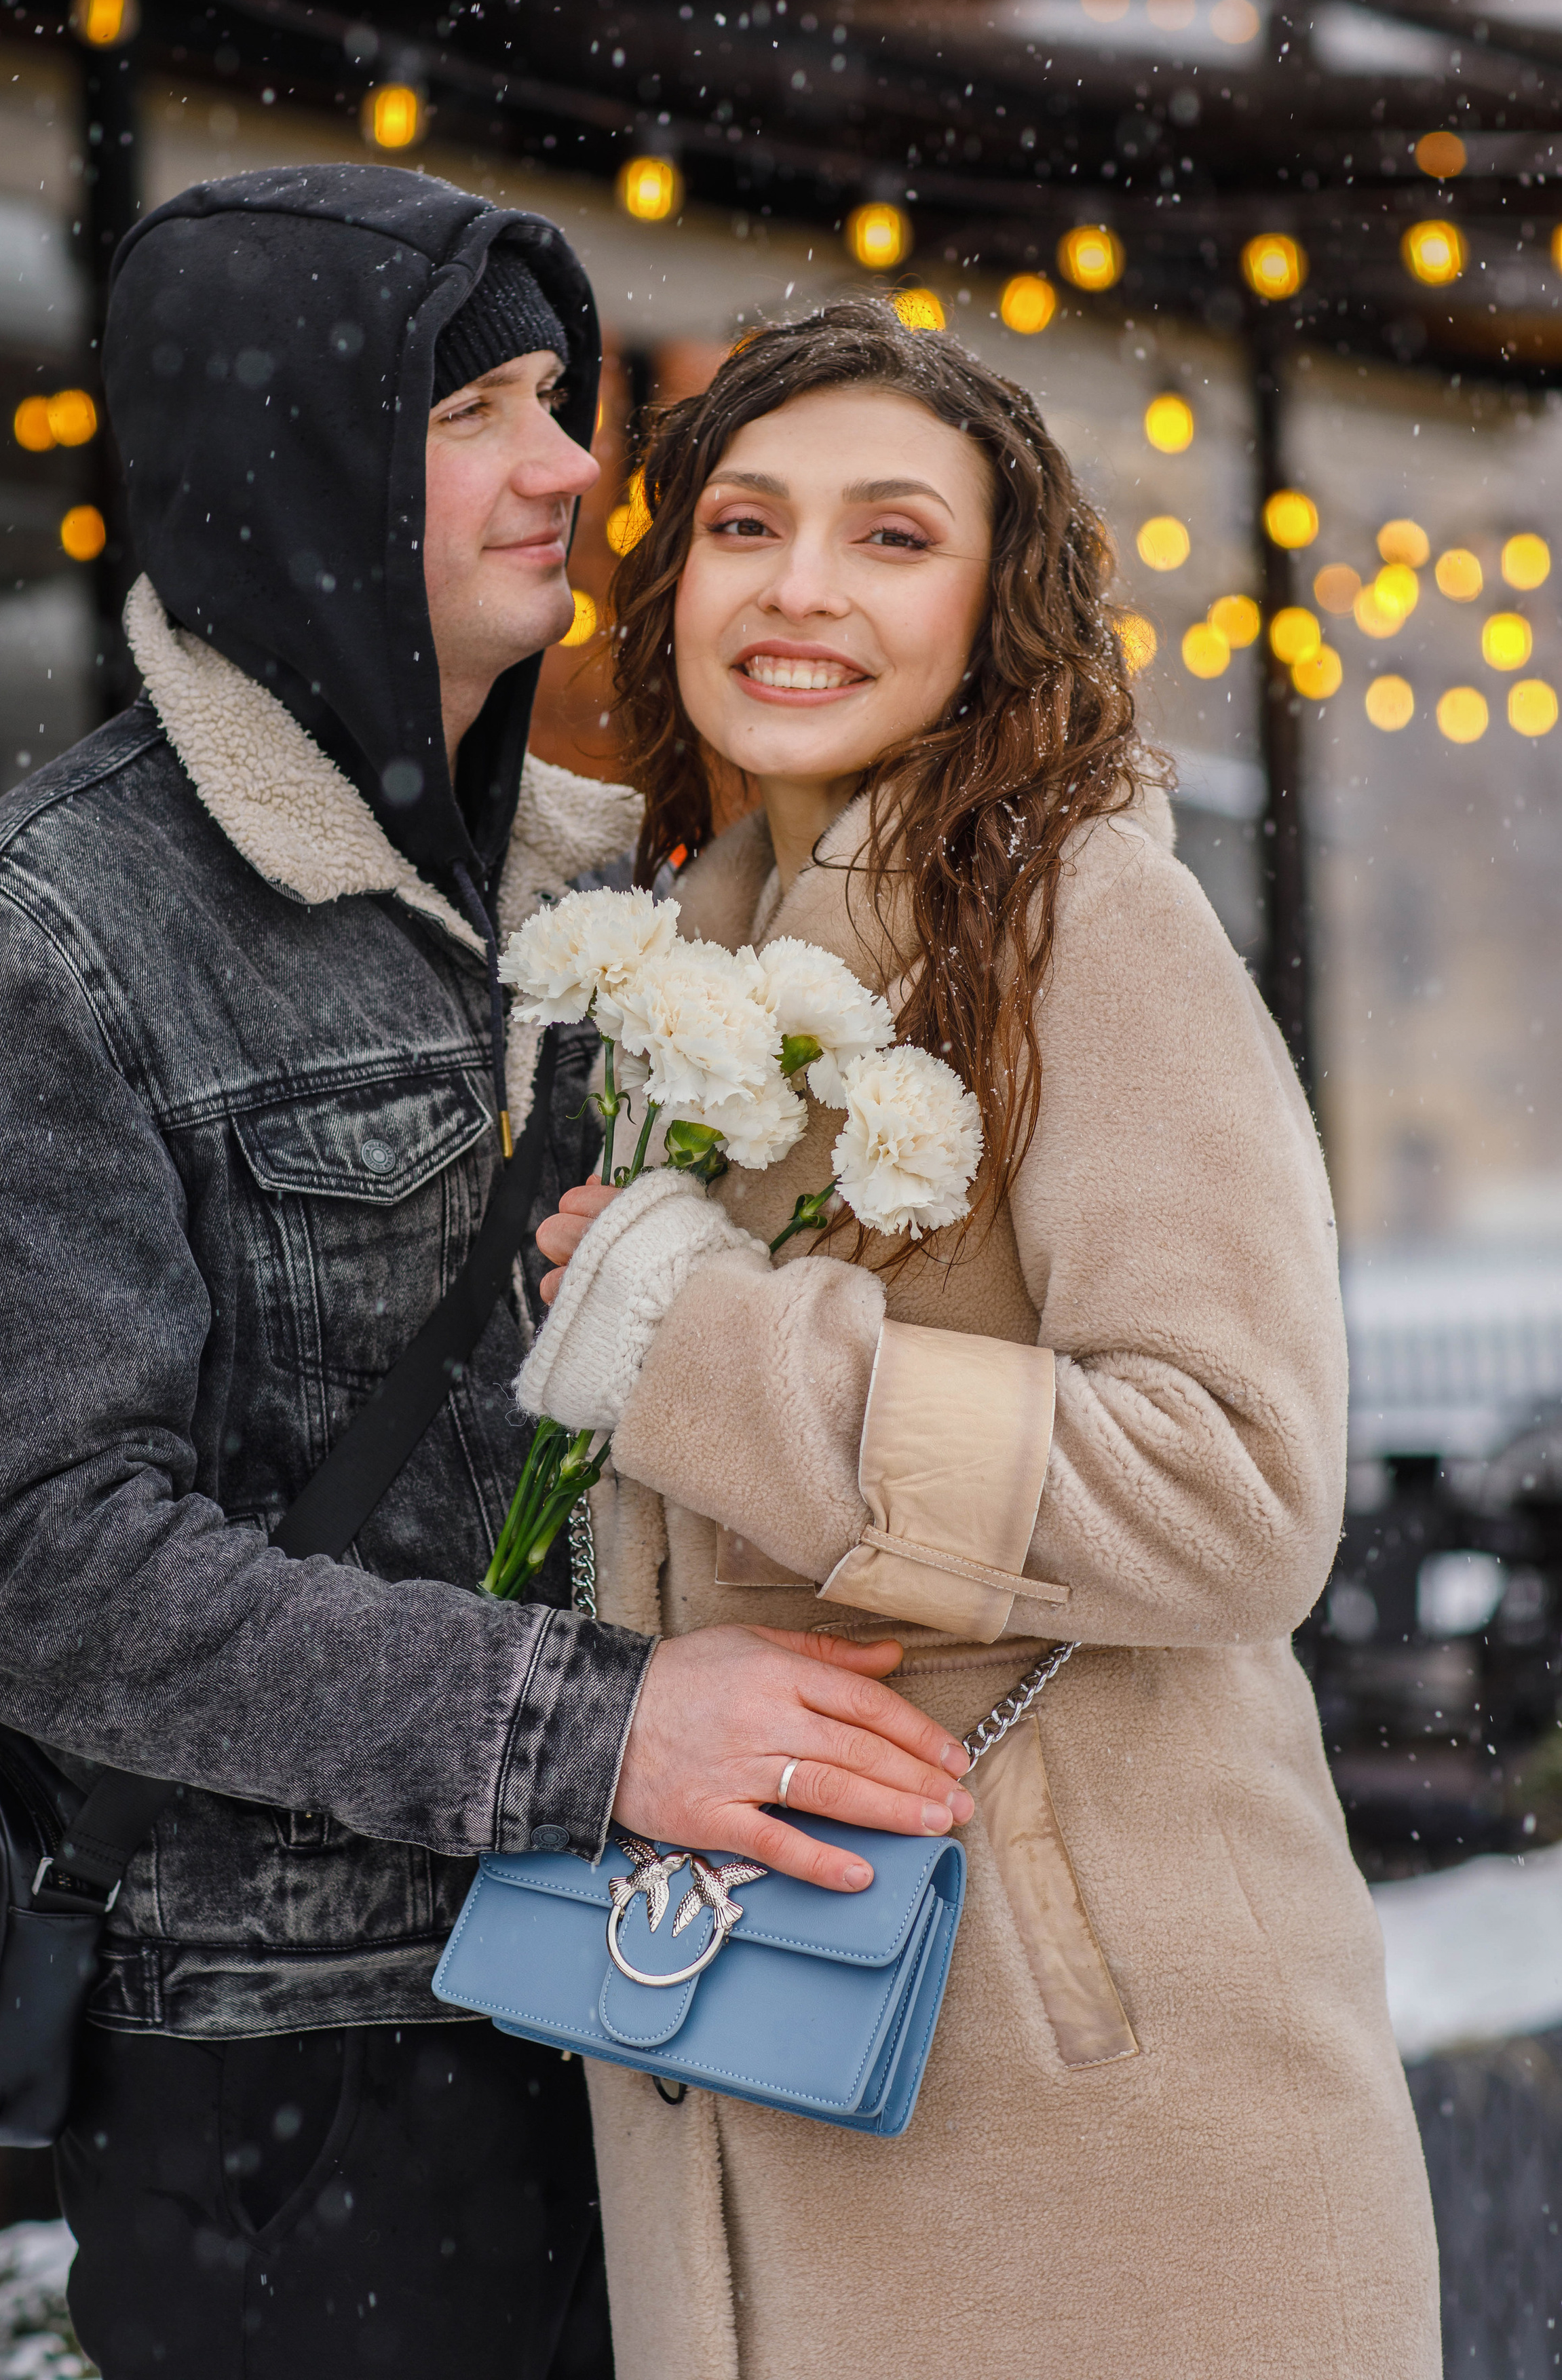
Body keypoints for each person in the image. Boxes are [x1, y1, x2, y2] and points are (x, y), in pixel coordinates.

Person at [0, 182, 972, 2379]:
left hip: (657, 2000)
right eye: (477, 410)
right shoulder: (36, 947)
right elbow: (38, 1570)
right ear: (294, 471)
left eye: (559, 400)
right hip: (305, 2086)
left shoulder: (616, 885)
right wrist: (599, 1731)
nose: (570, 465)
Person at [527, 300, 1443, 2380]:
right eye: (748, 525)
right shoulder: (689, 950)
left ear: (994, 601)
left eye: (890, 536)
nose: (801, 590)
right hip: (751, 2061)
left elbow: (1238, 1488)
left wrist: (694, 1346)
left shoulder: (1080, 922)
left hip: (1094, 2120)